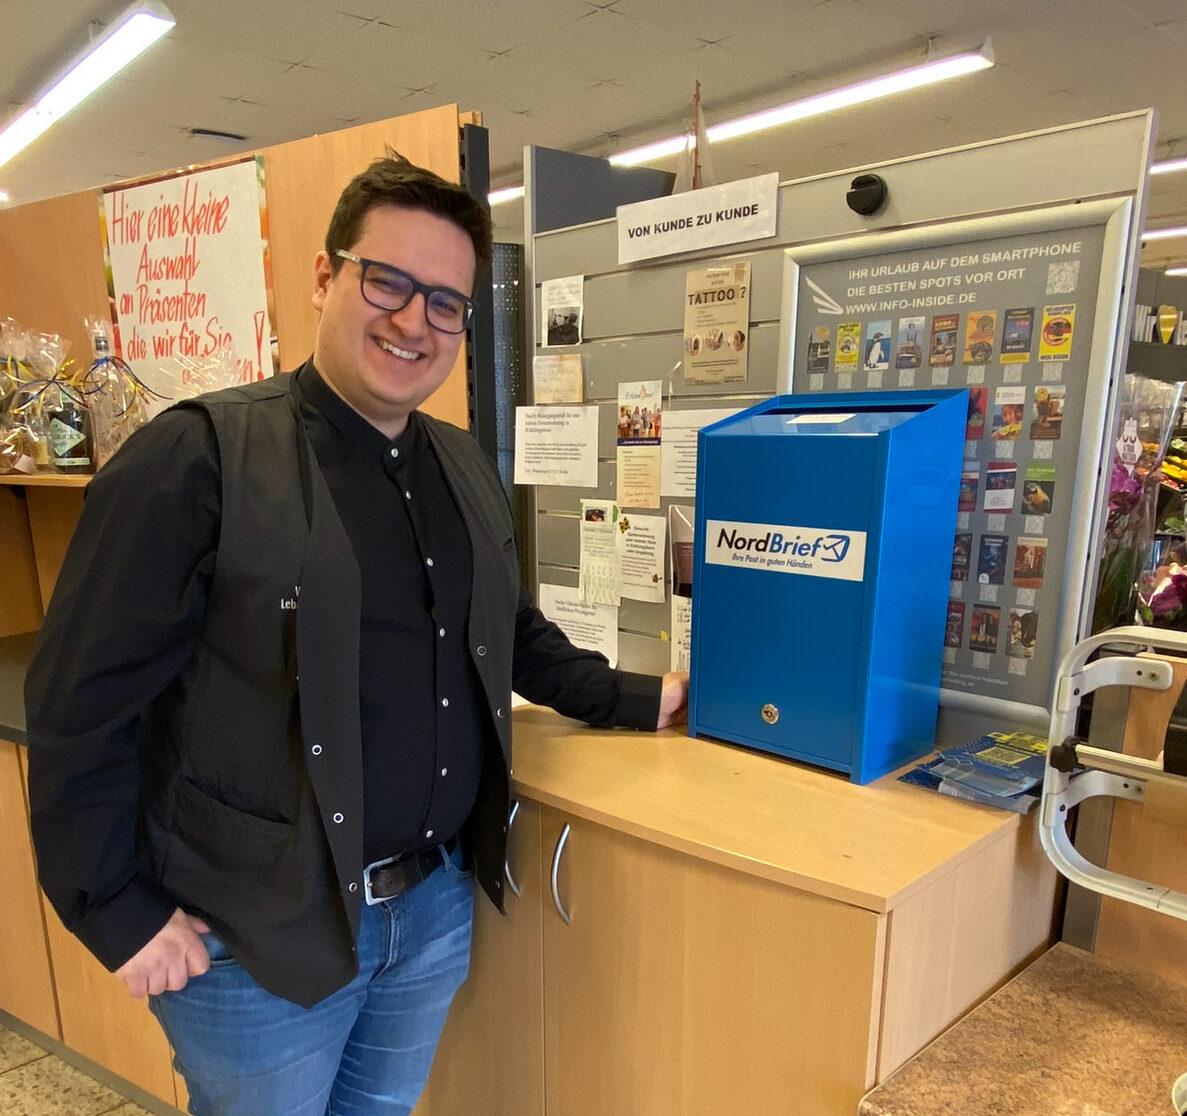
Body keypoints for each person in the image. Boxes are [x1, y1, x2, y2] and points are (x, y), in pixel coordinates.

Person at [24, 157, 689, 1116]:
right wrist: (114, 911)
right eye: (388, 282)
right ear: (324, 276)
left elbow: (504, 630)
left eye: (446, 303)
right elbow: (80, 704)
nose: (414, 321)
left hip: (431, 915)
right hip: (256, 934)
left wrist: (639, 697)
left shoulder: (458, 462)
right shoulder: (198, 457)